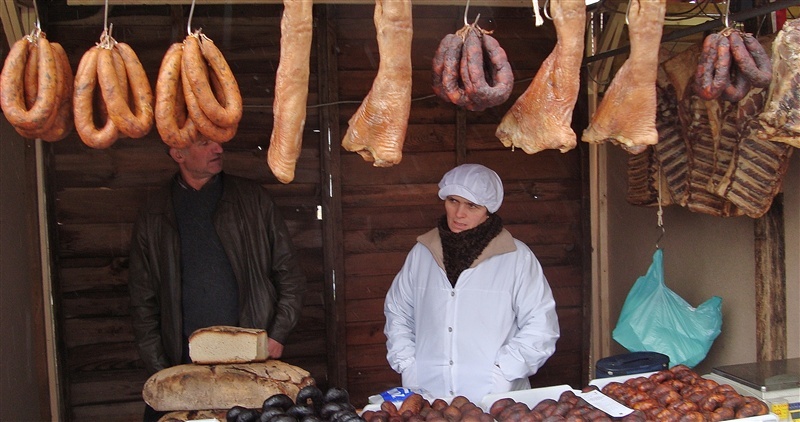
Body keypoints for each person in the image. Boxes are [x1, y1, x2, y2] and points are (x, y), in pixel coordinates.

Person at [128, 137, 307, 421]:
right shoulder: (154, 212)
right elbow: (142, 300)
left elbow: (289, 274)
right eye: (204, 144)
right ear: (178, 153)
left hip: (252, 361)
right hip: (183, 364)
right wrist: (161, 368)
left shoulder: (252, 199)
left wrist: (277, 334)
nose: (219, 149)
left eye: (218, 143)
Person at [384, 163, 560, 403]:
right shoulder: (422, 253)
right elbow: (398, 311)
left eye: (472, 205)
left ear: (489, 209)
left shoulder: (516, 257)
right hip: (430, 394)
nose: (459, 214)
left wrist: (503, 371)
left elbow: (541, 325)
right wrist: (408, 364)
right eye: (453, 201)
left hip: (496, 398)